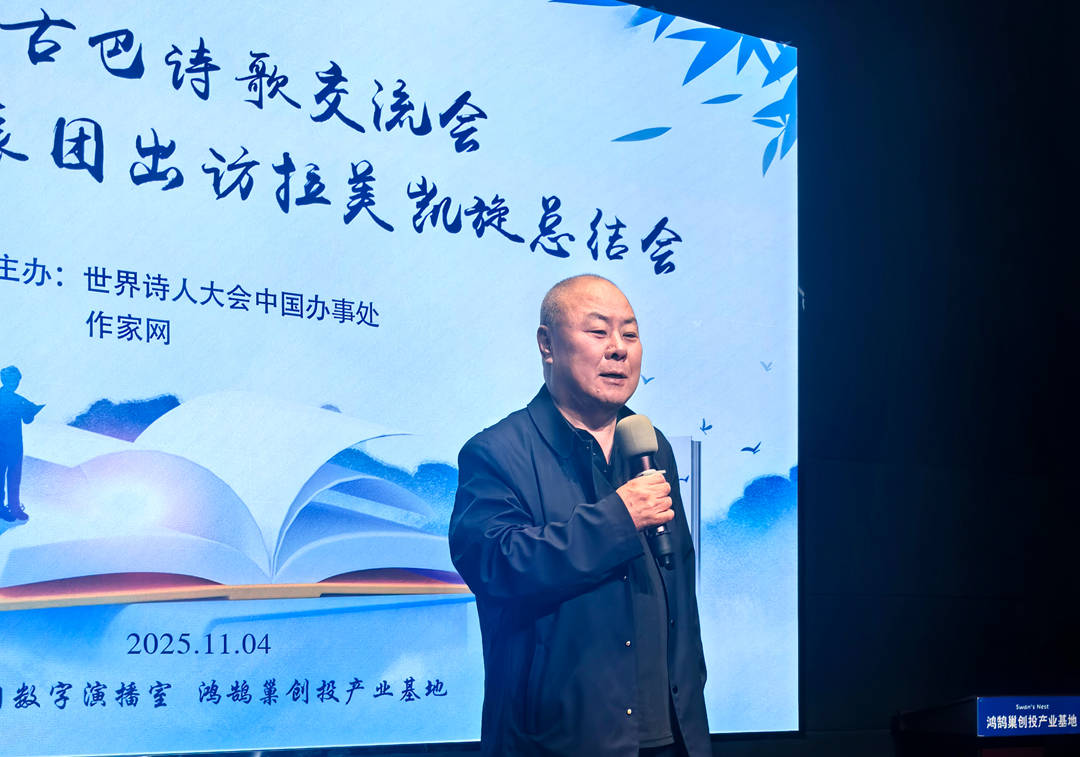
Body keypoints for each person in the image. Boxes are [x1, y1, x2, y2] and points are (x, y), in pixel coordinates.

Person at [449, 275, 710, 756]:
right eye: (598, 331)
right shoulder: (497, 452)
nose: (619, 349)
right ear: (547, 344)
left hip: (672, 735)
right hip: (560, 740)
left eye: (630, 334)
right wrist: (618, 519)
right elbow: (497, 565)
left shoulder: (650, 447)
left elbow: (679, 587)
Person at [0, 365, 45, 522]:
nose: (16, 383)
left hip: (11, 445)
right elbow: (28, 419)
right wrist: (32, 412)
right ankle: (13, 508)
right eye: (14, 380)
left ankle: (8, 508)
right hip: (13, 445)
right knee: (12, 478)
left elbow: (26, 419)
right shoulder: (19, 400)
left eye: (17, 380)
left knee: (6, 477)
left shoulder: (17, 400)